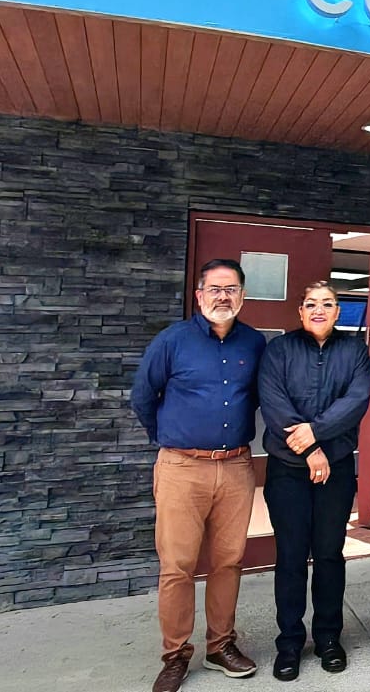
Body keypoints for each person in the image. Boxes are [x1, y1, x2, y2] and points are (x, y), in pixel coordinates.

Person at [130, 259, 268, 692]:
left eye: (231, 289)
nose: (223, 296)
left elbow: (261, 396)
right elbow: (142, 396)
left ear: (242, 295)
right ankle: (175, 655)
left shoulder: (255, 343)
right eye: (214, 289)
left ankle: (220, 645)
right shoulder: (173, 341)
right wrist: (170, 439)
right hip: (181, 468)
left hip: (236, 467)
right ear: (199, 295)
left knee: (229, 560)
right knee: (178, 566)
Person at [257, 281, 370, 681]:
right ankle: (289, 642)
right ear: (301, 312)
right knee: (290, 557)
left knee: (328, 555)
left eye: (327, 303)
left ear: (338, 312)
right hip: (287, 469)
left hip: (335, 469)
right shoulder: (278, 350)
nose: (319, 310)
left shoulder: (354, 351)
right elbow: (273, 403)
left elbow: (356, 401)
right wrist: (310, 450)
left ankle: (328, 638)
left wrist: (317, 434)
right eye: (311, 304)